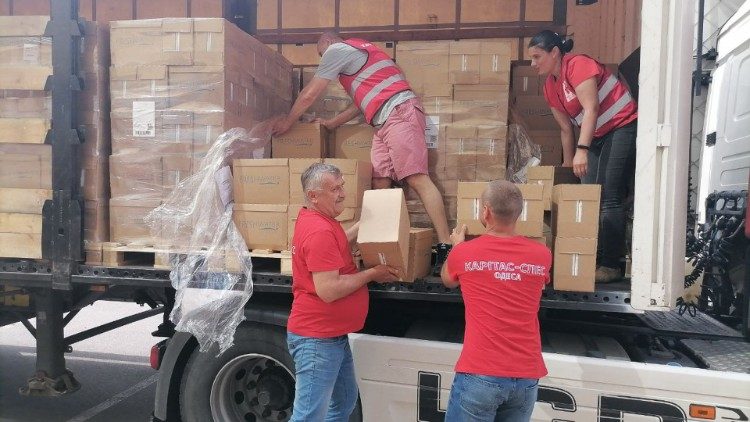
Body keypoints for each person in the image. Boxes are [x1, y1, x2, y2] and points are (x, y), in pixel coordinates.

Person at [272, 32, 454, 270]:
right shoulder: (364, 55)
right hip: (382, 122)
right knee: (379, 182)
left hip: (399, 112)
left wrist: (288, 122)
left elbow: (309, 94)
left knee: (416, 178)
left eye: (320, 54)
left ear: (327, 43)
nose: (323, 60)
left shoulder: (337, 51)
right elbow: (361, 103)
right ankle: (382, 244)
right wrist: (333, 123)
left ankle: (445, 246)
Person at [287, 162, 400, 421]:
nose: (342, 194)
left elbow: (335, 244)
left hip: (331, 336)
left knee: (344, 402)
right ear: (313, 195)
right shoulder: (320, 231)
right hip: (317, 338)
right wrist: (372, 274)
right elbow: (328, 290)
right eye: (334, 189)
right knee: (308, 416)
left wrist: (364, 224)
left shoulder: (319, 220)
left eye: (342, 186)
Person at [528, 30, 638, 283]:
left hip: (621, 126)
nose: (533, 63)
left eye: (537, 57)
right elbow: (566, 128)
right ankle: (593, 258)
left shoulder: (579, 65)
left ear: (555, 52)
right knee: (589, 196)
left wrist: (582, 151)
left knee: (609, 195)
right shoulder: (550, 86)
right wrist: (568, 165)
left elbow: (591, 108)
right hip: (596, 136)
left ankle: (612, 265)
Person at [441, 180, 551, 422]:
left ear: (486, 211)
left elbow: (448, 279)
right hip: (526, 376)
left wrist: (456, 246)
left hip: (481, 373)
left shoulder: (464, 253)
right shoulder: (542, 255)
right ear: (519, 213)